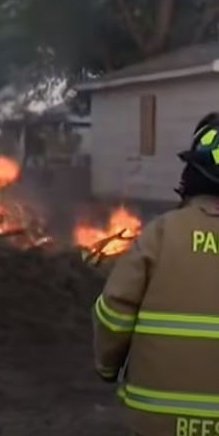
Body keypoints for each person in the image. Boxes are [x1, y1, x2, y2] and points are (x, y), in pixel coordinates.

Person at [94, 112, 219, 436]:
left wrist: (108, 367)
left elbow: (114, 311)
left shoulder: (161, 233)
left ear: (192, 173)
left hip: (154, 419)